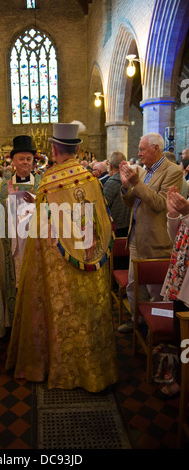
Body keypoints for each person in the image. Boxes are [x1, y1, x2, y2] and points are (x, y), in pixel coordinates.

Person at [5, 122, 118, 392]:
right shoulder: (92, 179)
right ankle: (97, 368)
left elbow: (42, 231)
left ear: (54, 149)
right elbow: (101, 222)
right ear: (77, 149)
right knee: (89, 313)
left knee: (64, 316)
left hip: (60, 266)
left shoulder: (50, 181)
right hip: (90, 257)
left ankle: (63, 369)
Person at [118, 132, 184, 334]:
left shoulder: (172, 172)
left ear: (155, 149)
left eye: (142, 149)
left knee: (155, 290)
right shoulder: (146, 172)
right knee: (133, 284)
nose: (138, 153)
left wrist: (136, 182)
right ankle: (136, 320)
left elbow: (159, 204)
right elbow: (131, 202)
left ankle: (154, 330)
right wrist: (125, 185)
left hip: (156, 241)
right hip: (137, 236)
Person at [0, 135, 41, 338]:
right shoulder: (2, 187)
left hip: (36, 245)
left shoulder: (42, 184)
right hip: (11, 247)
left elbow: (48, 213)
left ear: (33, 162)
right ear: (13, 161)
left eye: (29, 159)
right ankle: (12, 323)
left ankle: (35, 325)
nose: (25, 162)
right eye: (21, 158)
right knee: (12, 284)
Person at [159, 186, 189, 398]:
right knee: (183, 338)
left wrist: (187, 214)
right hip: (181, 277)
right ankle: (182, 379)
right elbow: (178, 237)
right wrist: (173, 215)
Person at [103, 151, 131, 238]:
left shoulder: (111, 183)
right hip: (129, 226)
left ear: (110, 166)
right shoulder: (132, 180)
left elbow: (104, 205)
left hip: (115, 227)